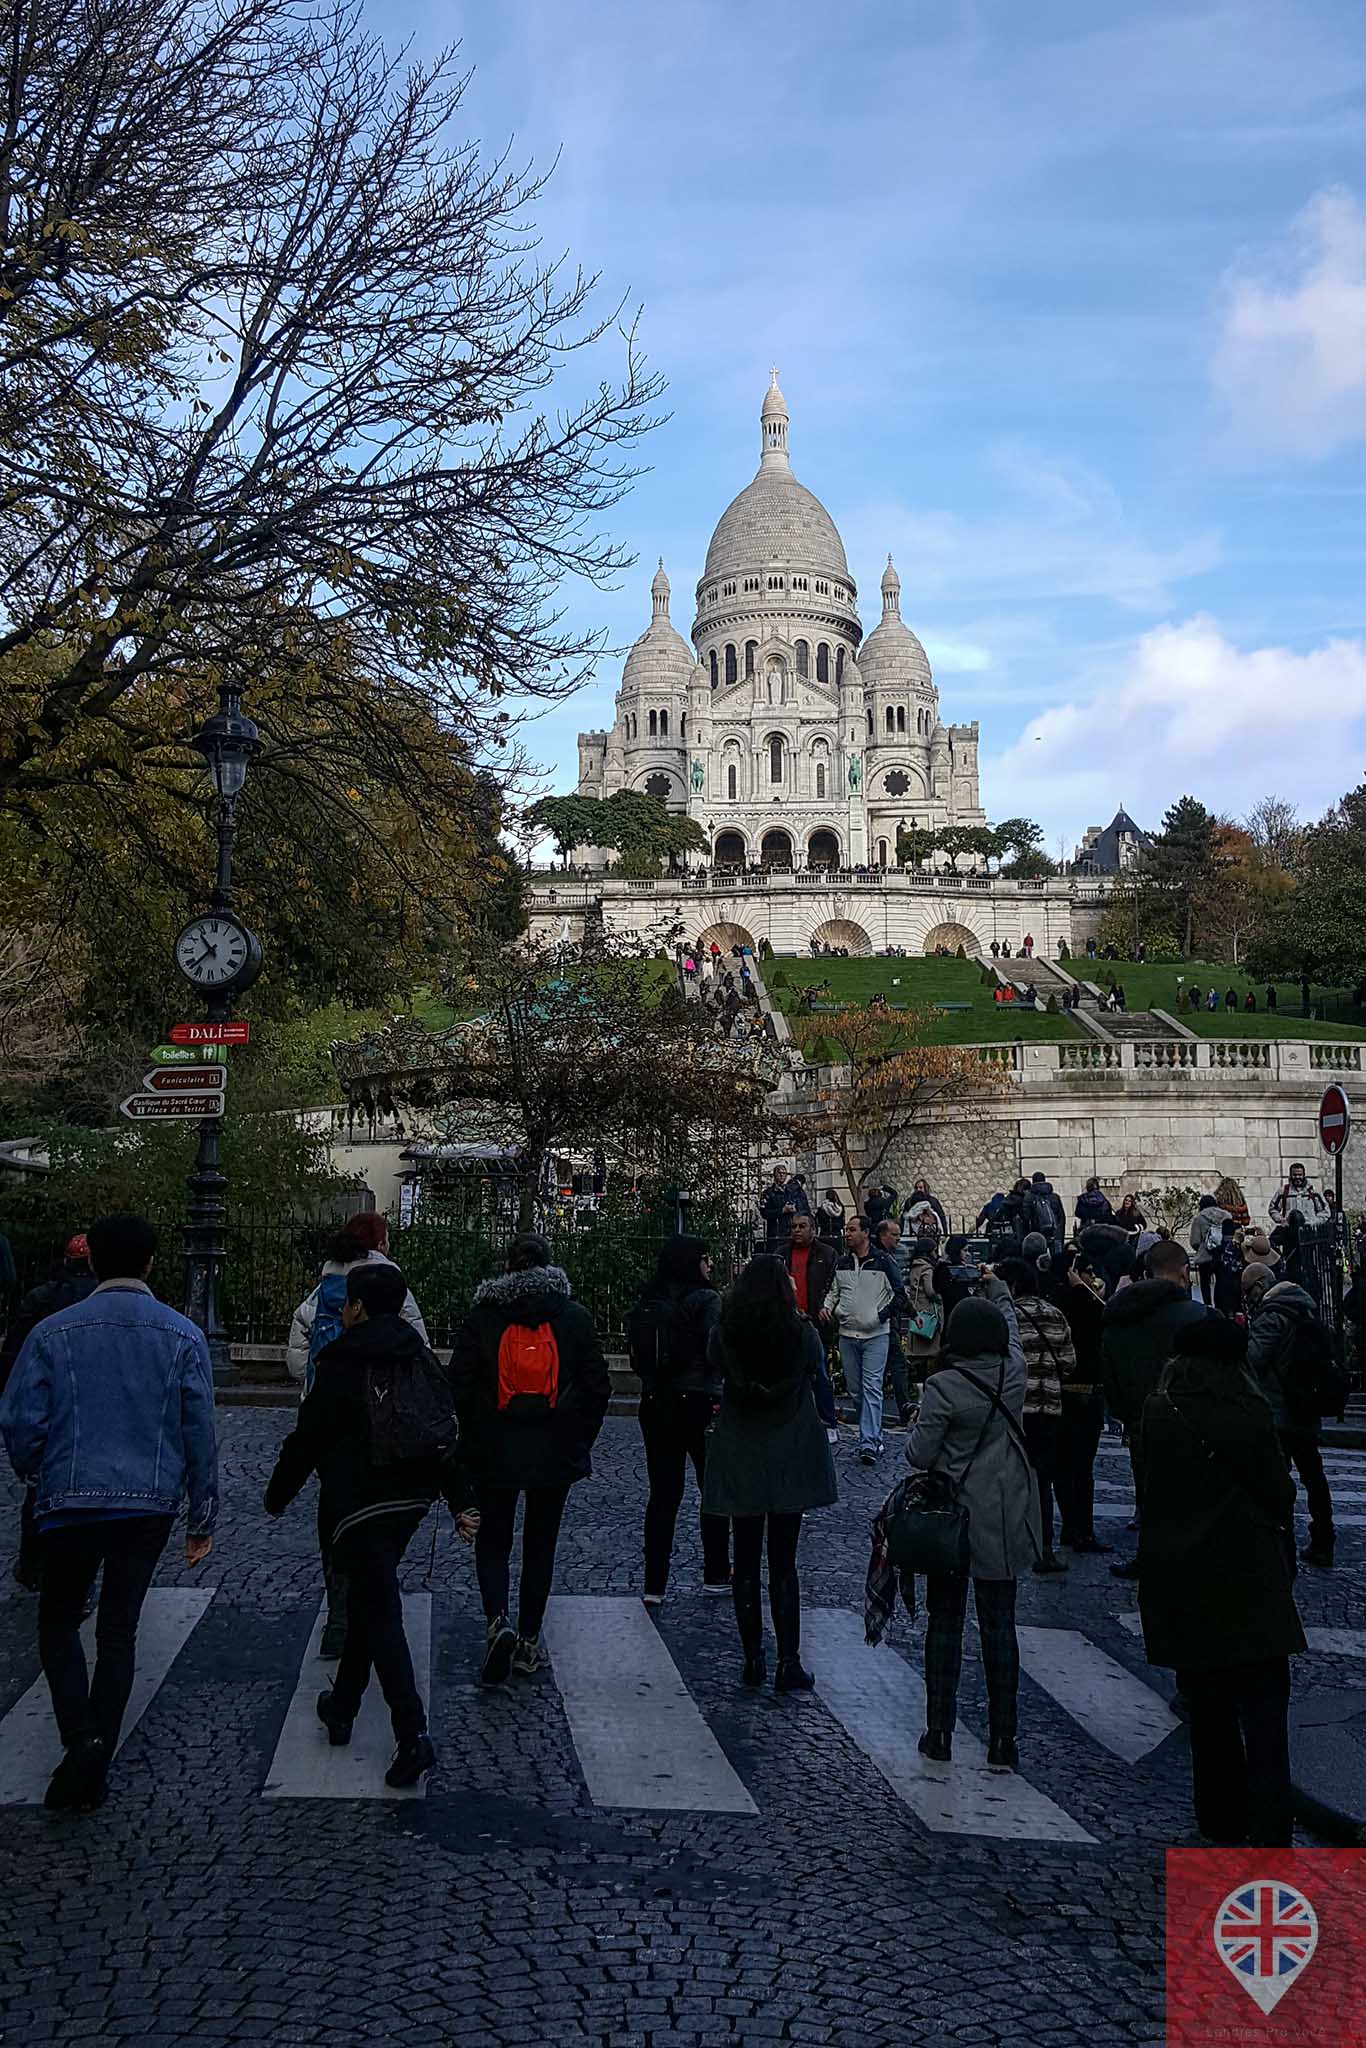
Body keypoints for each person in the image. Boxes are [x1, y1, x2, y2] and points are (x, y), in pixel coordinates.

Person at [0, 1213, 217, 1812]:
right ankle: (98, 1746)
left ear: (91, 1259)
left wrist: (36, 1469)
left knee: (58, 1621)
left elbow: (20, 1421)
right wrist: (202, 1517)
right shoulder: (182, 1334)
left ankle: (82, 1740)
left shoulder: (53, 1332)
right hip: (146, 1506)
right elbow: (199, 1431)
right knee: (118, 1630)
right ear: (150, 1262)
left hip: (70, 1497)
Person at [266, 1262, 470, 1786]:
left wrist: (277, 1495)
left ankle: (412, 1733)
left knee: (379, 1608)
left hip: (357, 1499)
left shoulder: (341, 1358)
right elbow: (442, 1428)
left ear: (354, 1307)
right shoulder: (421, 1356)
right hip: (413, 1498)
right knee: (368, 1598)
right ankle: (342, 1706)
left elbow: (309, 1436)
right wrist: (458, 1500)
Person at [1138, 1316, 1305, 1845]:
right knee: (1264, 1711)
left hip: (1181, 1575)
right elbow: (1279, 1493)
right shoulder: (1247, 1411)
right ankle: (1271, 1819)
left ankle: (1219, 1816)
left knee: (1208, 1710)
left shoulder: (1158, 1412)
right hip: (1247, 1571)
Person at [453, 1234, 610, 1672]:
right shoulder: (573, 1318)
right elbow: (598, 1386)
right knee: (541, 1544)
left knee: (494, 1538)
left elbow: (459, 1382)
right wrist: (579, 1437)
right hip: (554, 1447)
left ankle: (496, 1619)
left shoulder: (484, 1317)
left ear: (508, 1268)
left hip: (494, 1446)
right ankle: (528, 1638)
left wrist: (476, 1429)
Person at [907, 1291, 1040, 1770]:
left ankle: (939, 1732)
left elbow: (920, 1456)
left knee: (945, 1623)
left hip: (952, 1519)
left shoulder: (944, 1386)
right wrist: (999, 1287)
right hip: (1002, 1513)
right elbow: (1015, 1333)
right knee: (1000, 1626)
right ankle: (1004, 1738)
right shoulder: (1014, 1375)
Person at [287, 1214, 429, 1657]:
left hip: (331, 1417)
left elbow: (297, 1352)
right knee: (381, 1514)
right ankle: (374, 1603)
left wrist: (314, 1383)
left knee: (334, 1514)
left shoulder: (325, 1286)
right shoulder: (390, 1283)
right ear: (379, 1242)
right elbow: (418, 1347)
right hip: (384, 1417)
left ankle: (338, 1616)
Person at [703, 1257, 837, 1691]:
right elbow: (815, 1370)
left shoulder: (726, 1334)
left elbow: (713, 1364)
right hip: (789, 1447)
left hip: (742, 1445)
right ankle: (788, 1659)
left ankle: (752, 1657)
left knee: (744, 1559)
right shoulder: (800, 1334)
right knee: (783, 1562)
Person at [625, 1236, 728, 1602]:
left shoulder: (650, 1299)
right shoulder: (706, 1300)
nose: (710, 1265)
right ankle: (716, 1571)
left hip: (656, 1401)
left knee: (663, 1495)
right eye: (706, 1258)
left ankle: (655, 1582)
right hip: (700, 1400)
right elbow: (716, 1351)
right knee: (711, 1491)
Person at [1100, 1238, 1209, 1580]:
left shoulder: (1119, 1316)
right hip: (1191, 1419)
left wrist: (1126, 1412)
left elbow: (1110, 1371)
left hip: (1140, 1417)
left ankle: (1149, 1554)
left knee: (1147, 1490)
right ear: (1183, 1272)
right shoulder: (1198, 1316)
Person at [0, 1233, 99, 1592]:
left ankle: (32, 1563)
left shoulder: (44, 1298)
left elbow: (14, 1355)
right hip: (94, 1406)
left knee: (39, 1489)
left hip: (50, 1400)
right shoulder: (105, 1304)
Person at [1247, 1278, 1337, 1568]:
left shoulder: (1272, 1315)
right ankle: (1324, 1537)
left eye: (1248, 1291)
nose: (1247, 1297)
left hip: (1279, 1410)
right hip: (1305, 1407)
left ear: (1260, 1287)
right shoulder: (1306, 1311)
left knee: (1277, 1478)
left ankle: (1279, 1539)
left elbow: (1253, 1359)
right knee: (1314, 1476)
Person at [995, 1257, 1077, 1574]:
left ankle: (1007, 1541)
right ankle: (1044, 1546)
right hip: (1050, 1407)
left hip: (1016, 1410)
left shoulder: (1008, 1317)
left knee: (1009, 1477)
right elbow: (1069, 1363)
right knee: (1043, 1479)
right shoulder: (1055, 1315)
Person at [824, 1213, 907, 1461]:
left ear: (865, 1233)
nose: (847, 1234)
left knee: (871, 1387)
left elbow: (899, 1295)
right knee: (856, 1390)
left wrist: (880, 1317)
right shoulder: (842, 1262)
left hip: (875, 1335)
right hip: (847, 1334)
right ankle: (872, 1434)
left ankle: (869, 1441)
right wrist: (830, 1307)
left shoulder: (883, 1262)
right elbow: (834, 1290)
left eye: (852, 1229)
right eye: (847, 1230)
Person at [1048, 1253, 1111, 1553]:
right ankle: (1081, 1530)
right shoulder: (1084, 1302)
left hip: (1061, 1392)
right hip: (1083, 1390)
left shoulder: (1055, 1299)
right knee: (1082, 1468)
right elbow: (1105, 1315)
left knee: (1063, 1467)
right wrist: (1084, 1291)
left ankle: (1070, 1526)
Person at [784, 1214, 840, 1435]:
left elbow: (833, 1286)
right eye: (794, 1226)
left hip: (816, 1322)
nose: (797, 1230)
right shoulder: (782, 1254)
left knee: (820, 1373)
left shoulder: (826, 1254)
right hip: (789, 1322)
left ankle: (827, 1421)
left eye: (802, 1226)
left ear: (813, 1229)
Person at [1189, 1193, 1232, 1308]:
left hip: (1205, 1255)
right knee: (1221, 1281)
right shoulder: (1227, 1215)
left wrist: (1202, 1247)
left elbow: (1195, 1241)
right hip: (1223, 1254)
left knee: (1205, 1282)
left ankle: (1207, 1304)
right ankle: (1220, 1305)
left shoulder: (1199, 1218)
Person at [1021, 1173, 1065, 1252]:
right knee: (1056, 1258)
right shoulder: (1054, 1197)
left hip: (1037, 1235)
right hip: (1054, 1233)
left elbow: (1026, 1218)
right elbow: (1061, 1217)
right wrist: (1059, 1235)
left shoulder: (1029, 1197)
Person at [759, 1167, 796, 1248]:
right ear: (774, 1175)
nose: (782, 1175)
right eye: (779, 1173)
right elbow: (764, 1213)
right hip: (775, 1233)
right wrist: (782, 1210)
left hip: (789, 1232)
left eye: (784, 1173)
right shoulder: (767, 1193)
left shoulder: (791, 1192)